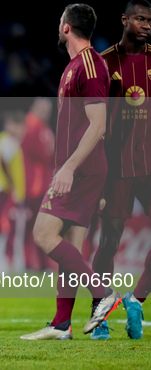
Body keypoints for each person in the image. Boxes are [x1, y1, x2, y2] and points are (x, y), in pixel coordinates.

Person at [20, 4, 119, 340]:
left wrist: (68, 169)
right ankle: (62, 323)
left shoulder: (90, 65)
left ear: (66, 27)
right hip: (84, 171)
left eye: (59, 20)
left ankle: (101, 294)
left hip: (80, 170)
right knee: (71, 250)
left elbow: (99, 126)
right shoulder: (76, 66)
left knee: (43, 235)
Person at [89, 0, 151, 340]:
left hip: (149, 166)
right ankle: (100, 314)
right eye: (140, 19)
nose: (146, 25)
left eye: (150, 20)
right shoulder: (105, 63)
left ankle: (136, 298)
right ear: (125, 20)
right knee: (109, 242)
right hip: (116, 168)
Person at [0, 111, 26, 272]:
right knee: (8, 226)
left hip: (3, 191)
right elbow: (4, 167)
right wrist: (14, 190)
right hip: (3, 192)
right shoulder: (7, 141)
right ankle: (9, 264)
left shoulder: (7, 141)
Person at [19, 98, 55, 272]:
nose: (45, 112)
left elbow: (51, 152)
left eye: (48, 109)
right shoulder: (31, 126)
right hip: (33, 186)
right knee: (31, 227)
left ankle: (41, 264)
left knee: (41, 227)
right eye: (42, 108)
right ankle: (29, 263)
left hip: (44, 186)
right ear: (34, 108)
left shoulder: (43, 128)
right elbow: (43, 153)